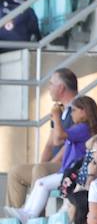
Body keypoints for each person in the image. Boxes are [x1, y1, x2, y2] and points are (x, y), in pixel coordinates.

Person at [7, 68, 78, 209]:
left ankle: (32, 220)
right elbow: (50, 144)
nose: (49, 88)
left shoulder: (80, 108)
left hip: (70, 165)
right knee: (16, 172)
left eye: (51, 84)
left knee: (40, 169)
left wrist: (47, 165)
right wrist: (41, 164)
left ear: (61, 87)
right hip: (54, 164)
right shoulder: (58, 109)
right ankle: (14, 222)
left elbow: (68, 144)